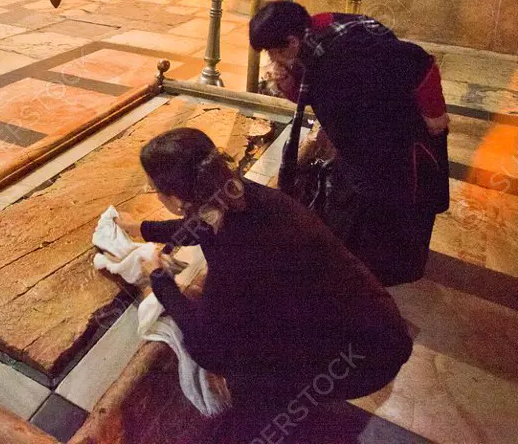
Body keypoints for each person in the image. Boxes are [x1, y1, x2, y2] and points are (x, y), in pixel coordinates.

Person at [121, 128, 413, 440]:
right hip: (376, 324)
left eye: (153, 189)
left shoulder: (236, 248)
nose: (153, 192)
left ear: (176, 199)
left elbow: (208, 348)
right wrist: (143, 228)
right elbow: (202, 224)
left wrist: (160, 280)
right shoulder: (238, 195)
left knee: (243, 368)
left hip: (363, 359)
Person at [249, 1, 450, 286]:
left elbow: (418, 61)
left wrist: (434, 115)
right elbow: (322, 94)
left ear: (291, 42)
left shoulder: (349, 49)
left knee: (399, 208)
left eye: (274, 51)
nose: (273, 58)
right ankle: (373, 269)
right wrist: (287, 84)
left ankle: (390, 273)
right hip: (368, 142)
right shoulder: (313, 42)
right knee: (368, 209)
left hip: (400, 141)